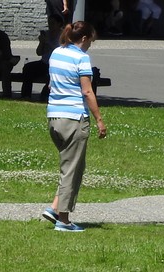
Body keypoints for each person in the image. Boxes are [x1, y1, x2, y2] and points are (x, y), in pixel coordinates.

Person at [40, 21, 106, 233]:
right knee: (71, 169)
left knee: (71, 166)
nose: (90, 46)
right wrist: (99, 120)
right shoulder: (81, 58)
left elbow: (51, 84)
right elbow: (87, 92)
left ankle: (54, 208)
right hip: (74, 118)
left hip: (54, 116)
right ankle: (64, 220)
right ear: (84, 39)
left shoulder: (57, 52)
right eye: (91, 42)